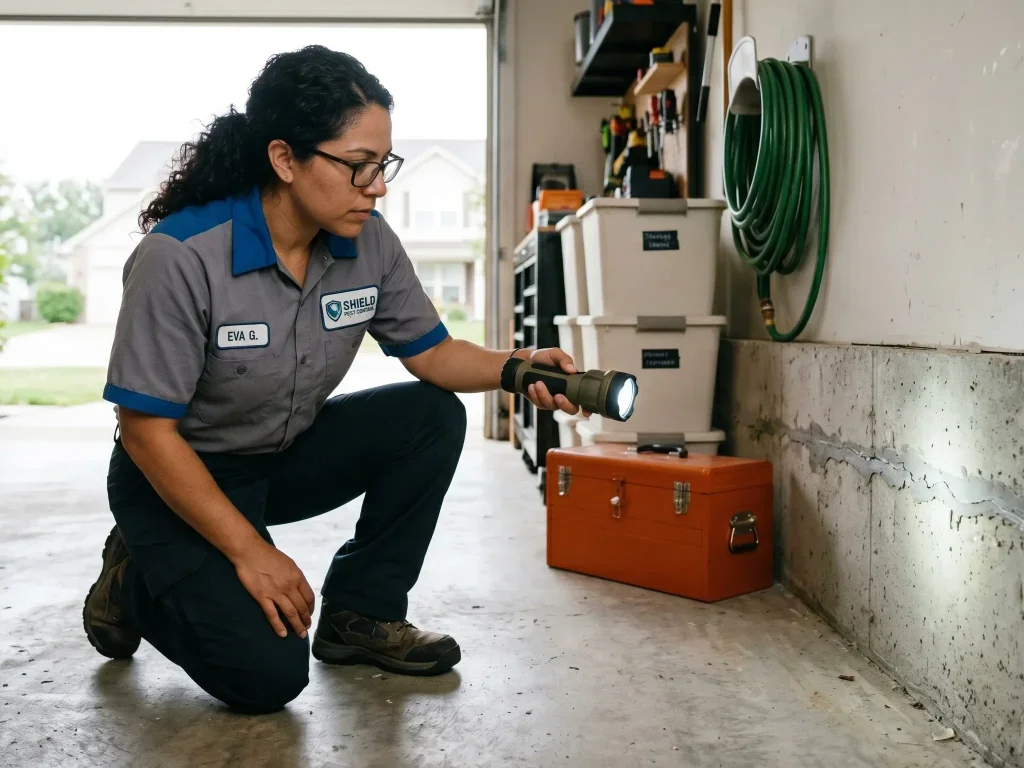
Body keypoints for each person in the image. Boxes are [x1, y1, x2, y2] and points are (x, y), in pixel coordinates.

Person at [82, 45, 582, 715]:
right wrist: (250, 553)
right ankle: (135, 578)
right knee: (267, 679)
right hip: (174, 480)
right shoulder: (181, 257)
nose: (377, 186)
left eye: (384, 165)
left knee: (431, 417)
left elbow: (434, 355)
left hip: (279, 457)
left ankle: (361, 616)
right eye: (358, 166)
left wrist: (518, 370)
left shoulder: (366, 242)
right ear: (285, 158)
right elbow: (146, 431)